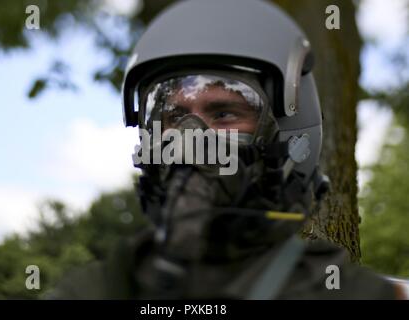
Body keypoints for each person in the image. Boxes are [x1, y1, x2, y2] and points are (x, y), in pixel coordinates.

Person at [48, 0, 404, 299]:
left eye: (224, 113)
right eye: (172, 116)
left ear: (290, 132)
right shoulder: (93, 291)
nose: (191, 138)